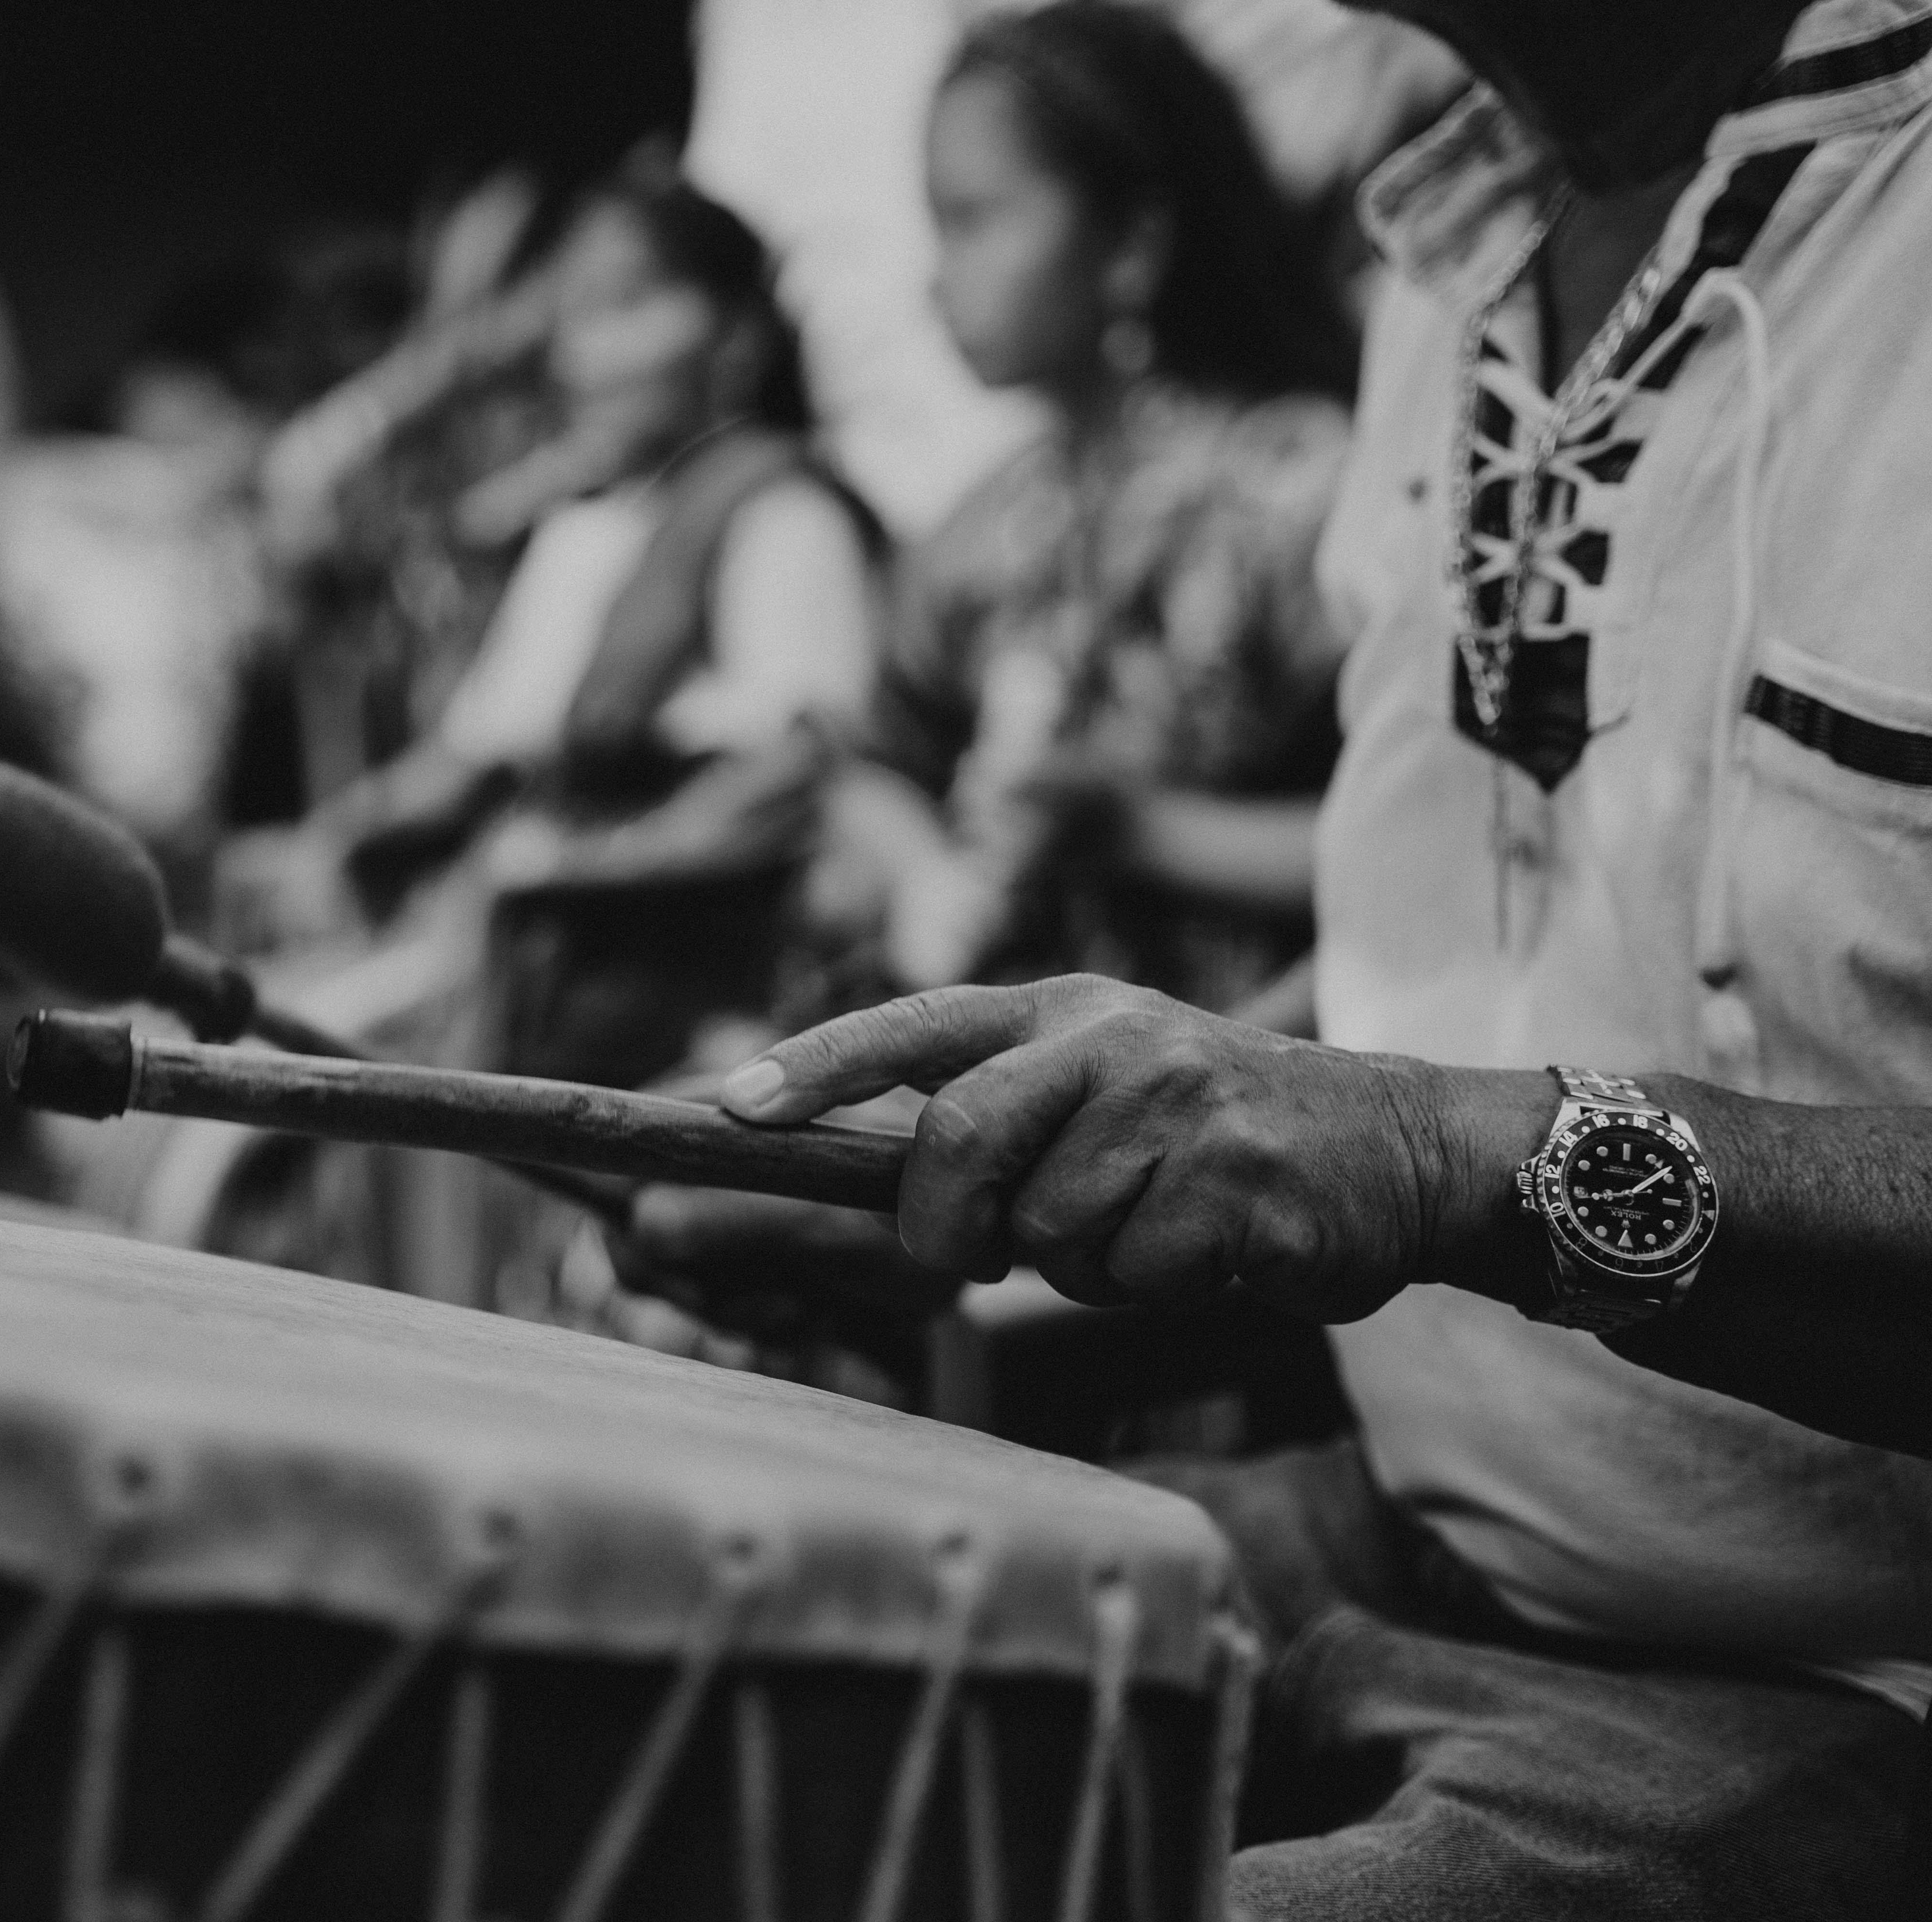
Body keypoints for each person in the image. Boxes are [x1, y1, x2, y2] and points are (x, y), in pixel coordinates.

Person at [632, 0, 1932, 1914]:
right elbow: (1482, 992)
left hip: (1849, 1682)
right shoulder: (1452, 255)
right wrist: (990, 1174)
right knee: (663, 1673)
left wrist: (1421, 1149)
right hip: (1393, 1533)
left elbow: (1435, 1122)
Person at [226, 163, 883, 1084]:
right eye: (575, 316)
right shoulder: (584, 523)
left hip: (665, 974)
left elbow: (798, 770)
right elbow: (483, 751)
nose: (588, 355)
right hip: (529, 948)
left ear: (738, 336)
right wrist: (333, 838)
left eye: (627, 306)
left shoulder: (778, 513)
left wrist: (574, 870)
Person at [826, 0, 1356, 1015]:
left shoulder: (1303, 491)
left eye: (976, 219)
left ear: (1131, 242)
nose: (940, 275)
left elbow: (1427, 844)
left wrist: (1141, 829)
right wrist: (922, 871)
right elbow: (871, 761)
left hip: (1263, 1105)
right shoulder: (990, 521)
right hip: (1018, 1104)